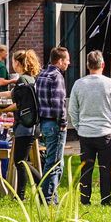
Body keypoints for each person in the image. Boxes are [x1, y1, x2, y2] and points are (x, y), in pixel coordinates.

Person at [67, 49, 111, 207]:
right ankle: (106, 200)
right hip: (106, 132)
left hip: (85, 132)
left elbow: (72, 109)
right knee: (105, 169)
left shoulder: (79, 84)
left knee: (86, 169)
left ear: (87, 65)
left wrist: (78, 126)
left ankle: (85, 199)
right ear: (103, 65)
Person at [35, 47, 69, 204]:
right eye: (67, 60)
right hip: (55, 123)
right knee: (54, 163)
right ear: (60, 61)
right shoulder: (56, 76)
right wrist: (63, 122)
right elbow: (58, 103)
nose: (68, 63)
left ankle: (52, 196)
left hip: (44, 122)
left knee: (55, 160)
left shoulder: (41, 74)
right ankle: (47, 197)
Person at [7, 49, 41, 195]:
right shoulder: (30, 79)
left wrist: (1, 109)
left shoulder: (22, 81)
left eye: (13, 61)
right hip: (33, 125)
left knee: (20, 161)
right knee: (21, 160)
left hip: (25, 125)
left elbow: (18, 104)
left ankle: (41, 185)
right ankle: (20, 195)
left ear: (17, 63)